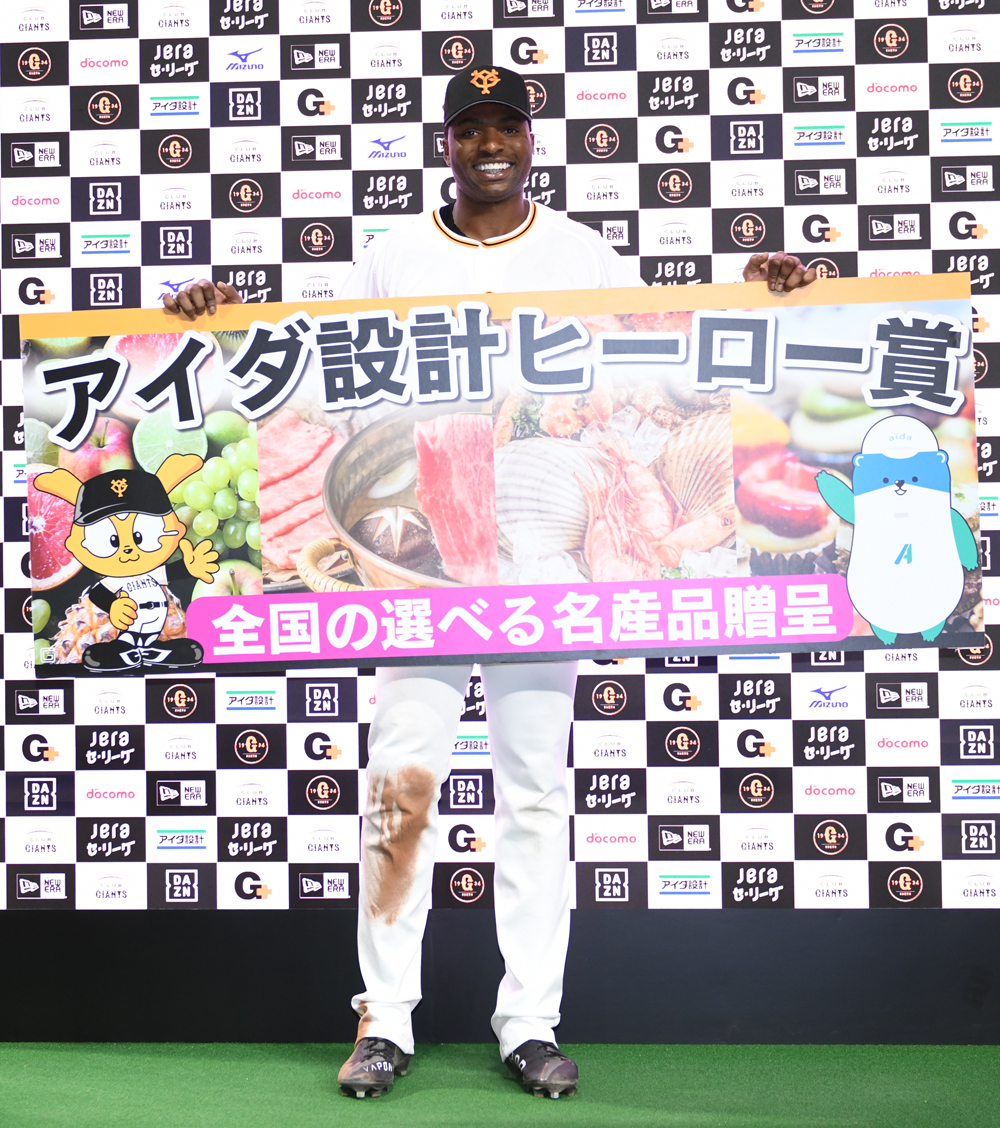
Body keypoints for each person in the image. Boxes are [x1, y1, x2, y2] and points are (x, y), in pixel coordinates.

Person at [163, 65, 815, 1099]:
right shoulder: (392, 256)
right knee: (401, 786)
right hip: (418, 557)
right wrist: (229, 323)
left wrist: (757, 298)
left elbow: (653, 358)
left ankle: (529, 1022)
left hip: (539, 556)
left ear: (530, 140)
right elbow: (324, 373)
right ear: (448, 145)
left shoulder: (583, 252)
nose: (490, 145)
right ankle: (385, 1019)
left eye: (506, 126)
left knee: (537, 791)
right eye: (471, 130)